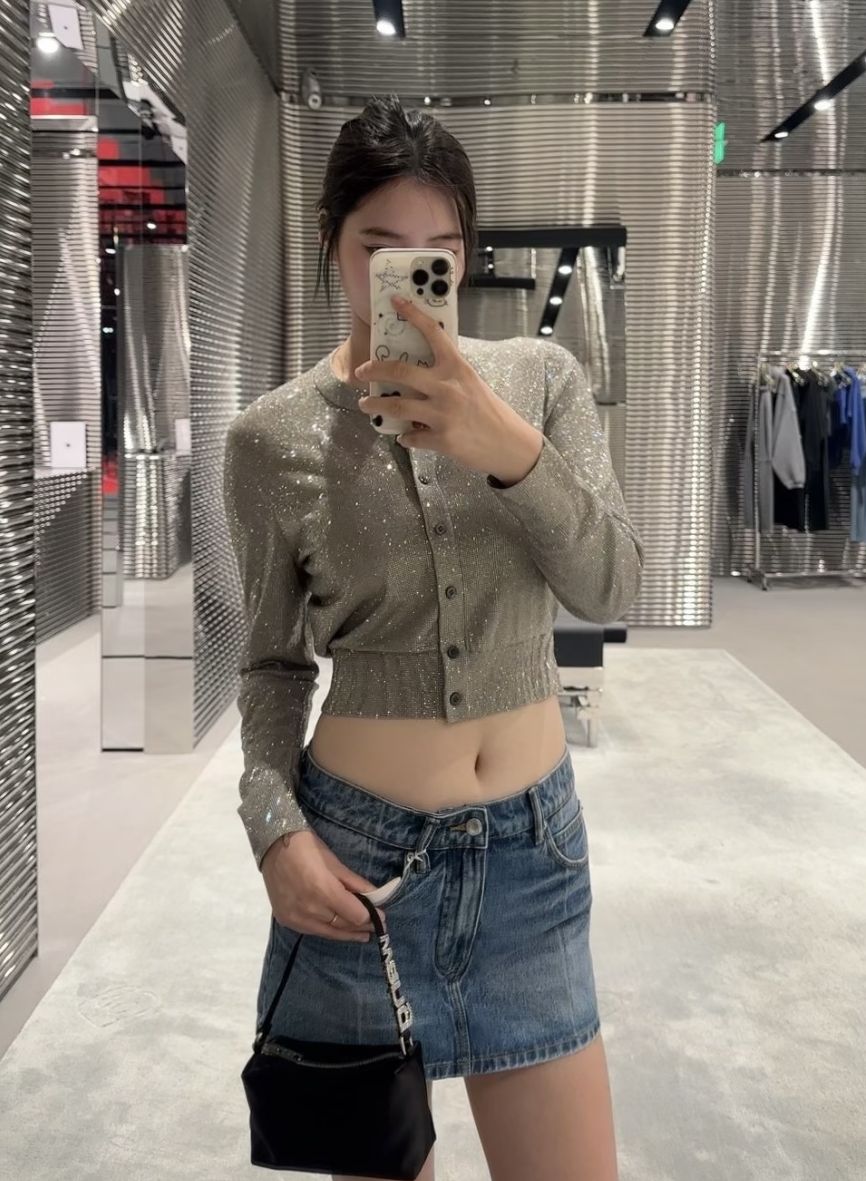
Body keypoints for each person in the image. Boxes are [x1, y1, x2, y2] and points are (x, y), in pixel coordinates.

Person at [223, 96, 644, 1181]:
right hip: (355, 872)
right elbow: (270, 663)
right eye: (381, 251)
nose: (411, 280)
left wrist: (504, 447)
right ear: (332, 244)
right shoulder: (270, 439)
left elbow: (611, 582)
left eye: (438, 253)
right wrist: (272, 828)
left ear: (466, 254)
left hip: (532, 861)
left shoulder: (540, 384)